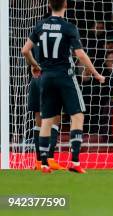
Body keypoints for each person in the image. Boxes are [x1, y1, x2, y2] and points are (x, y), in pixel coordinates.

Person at [21, 0, 105, 173]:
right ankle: (74, 162)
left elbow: (25, 50)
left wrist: (35, 65)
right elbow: (80, 55)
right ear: (65, 4)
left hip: (46, 77)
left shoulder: (40, 26)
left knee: (46, 119)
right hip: (65, 76)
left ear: (49, 5)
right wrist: (96, 73)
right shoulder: (69, 27)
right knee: (77, 116)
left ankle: (43, 163)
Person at [28, 42, 64, 170]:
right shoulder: (59, 36)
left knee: (39, 122)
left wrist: (34, 65)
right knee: (54, 119)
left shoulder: (37, 37)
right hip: (52, 79)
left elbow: (25, 51)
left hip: (37, 80)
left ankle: (38, 161)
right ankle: (50, 159)